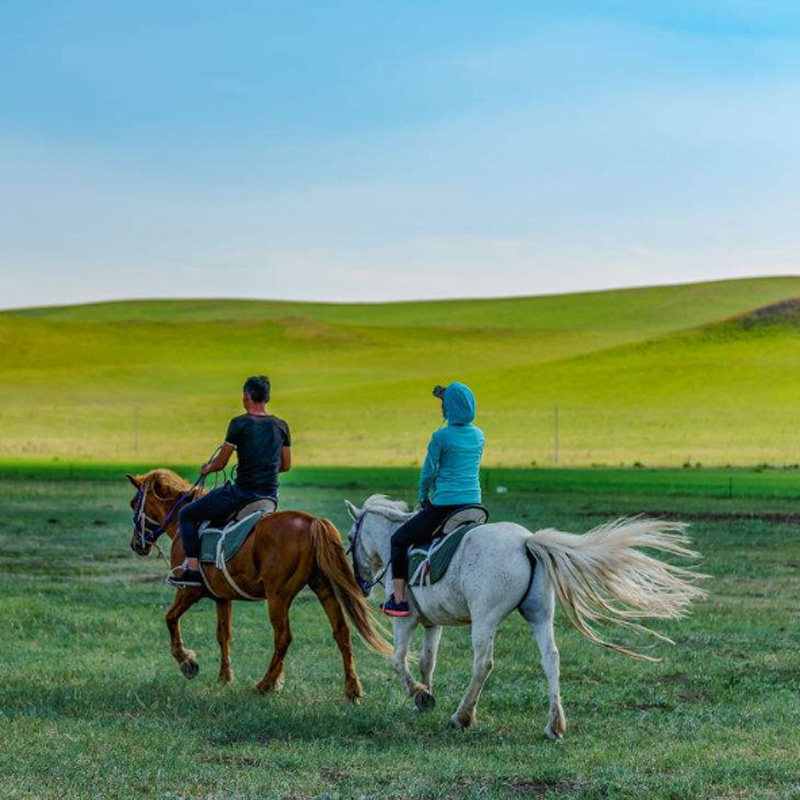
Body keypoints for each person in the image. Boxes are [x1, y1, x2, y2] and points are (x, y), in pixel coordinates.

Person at [168, 375, 291, 587]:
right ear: (267, 397)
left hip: (242, 494)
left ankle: (192, 570)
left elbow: (221, 463)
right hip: (270, 497)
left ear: (246, 396)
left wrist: (207, 468)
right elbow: (286, 465)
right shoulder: (282, 426)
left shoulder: (239, 423)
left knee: (186, 513)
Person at [381, 381, 485, 617]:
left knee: (398, 540)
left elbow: (428, 472)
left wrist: (422, 498)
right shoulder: (479, 435)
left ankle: (399, 600)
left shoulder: (441, 436)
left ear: (449, 408)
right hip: (475, 506)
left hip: (446, 507)